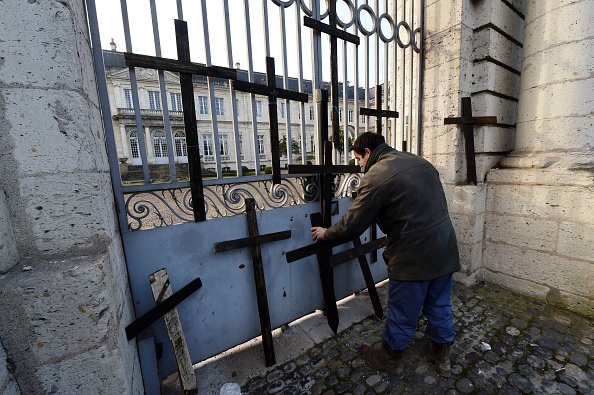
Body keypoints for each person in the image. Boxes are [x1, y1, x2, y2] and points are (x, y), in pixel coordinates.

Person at [311, 132, 460, 379]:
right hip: (445, 247)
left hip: (412, 256)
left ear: (368, 153)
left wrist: (327, 233)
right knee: (439, 304)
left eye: (358, 158)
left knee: (403, 311)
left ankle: (389, 359)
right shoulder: (419, 161)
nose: (358, 165)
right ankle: (442, 355)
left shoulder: (376, 176)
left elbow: (352, 224)